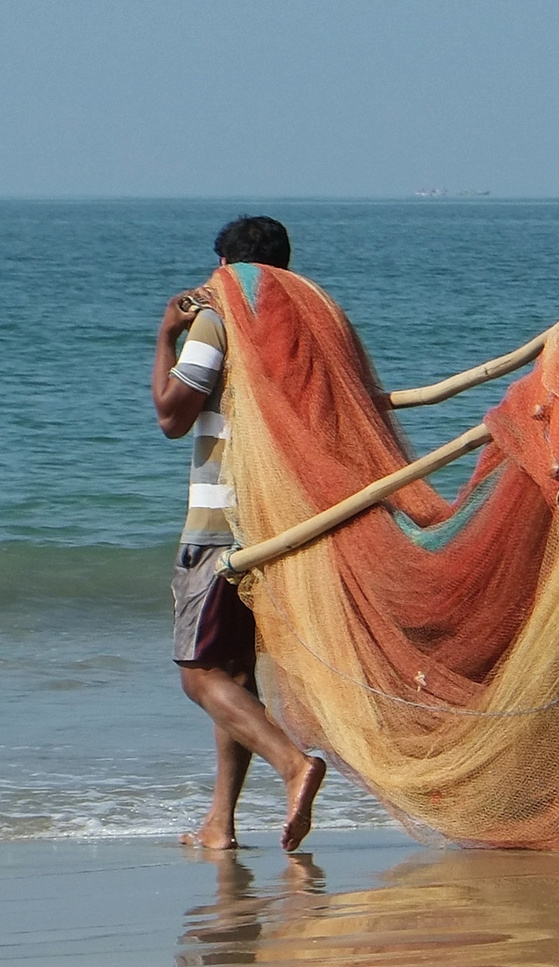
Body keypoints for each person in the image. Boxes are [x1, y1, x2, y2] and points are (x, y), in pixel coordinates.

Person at [151, 215, 326, 851]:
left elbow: (172, 415)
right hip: (282, 524)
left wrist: (167, 333)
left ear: (227, 270)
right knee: (237, 674)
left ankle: (293, 764)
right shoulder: (306, 327)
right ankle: (219, 825)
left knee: (199, 675)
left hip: (219, 525)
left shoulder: (216, 319)